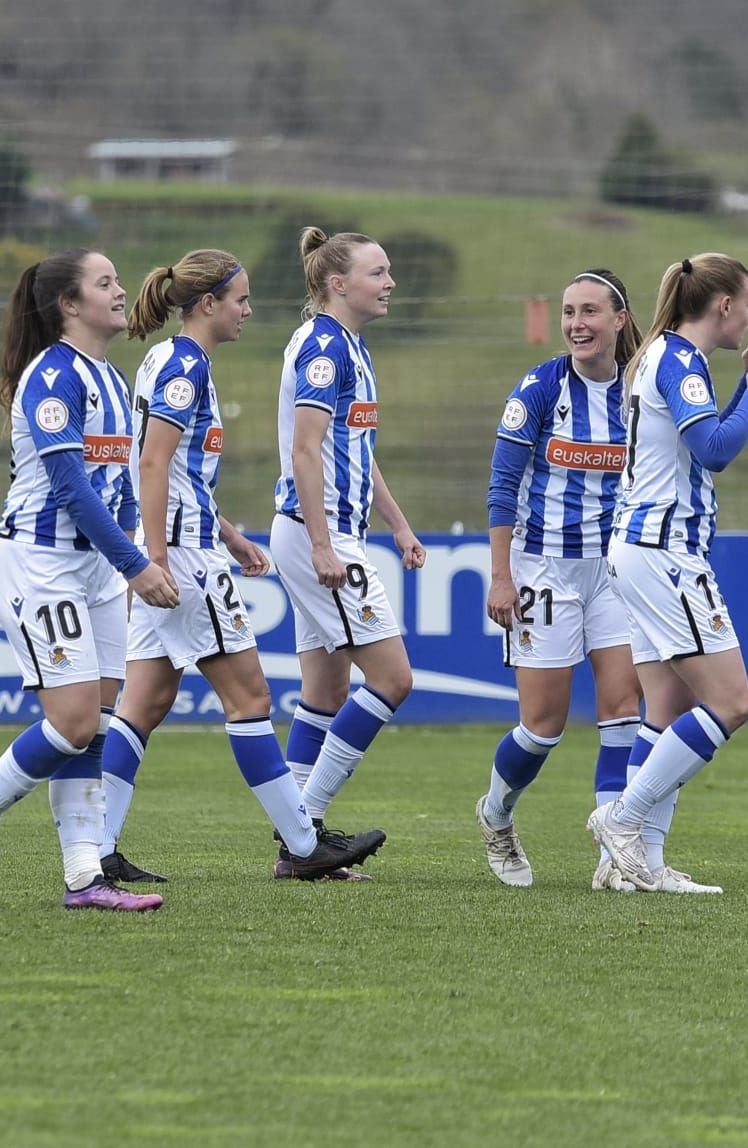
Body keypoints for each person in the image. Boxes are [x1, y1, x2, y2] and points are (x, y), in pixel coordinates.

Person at [85, 248, 385, 885]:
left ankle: (97, 849)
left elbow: (180, 471)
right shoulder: (184, 367)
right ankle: (304, 846)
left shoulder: (174, 362)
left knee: (144, 703)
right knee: (250, 698)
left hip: (188, 542)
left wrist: (232, 535)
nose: (250, 310)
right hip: (181, 558)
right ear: (208, 304)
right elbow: (152, 466)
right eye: (241, 300)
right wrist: (156, 564)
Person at [0, 248, 179, 912]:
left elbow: (121, 487)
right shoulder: (52, 376)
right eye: (104, 283)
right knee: (73, 722)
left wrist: (128, 558)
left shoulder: (107, 375)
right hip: (42, 566)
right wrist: (140, 567)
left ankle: (85, 880)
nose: (120, 290)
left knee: (95, 724)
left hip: (96, 572)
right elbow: (73, 490)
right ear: (69, 305)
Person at [586, 253, 748, 893]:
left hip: (641, 548)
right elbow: (715, 450)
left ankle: (642, 863)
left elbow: (694, 441)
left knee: (667, 707)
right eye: (747, 301)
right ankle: (623, 819)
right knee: (731, 702)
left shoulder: (666, 358)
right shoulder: (678, 360)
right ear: (722, 305)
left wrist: (741, 387)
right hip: (664, 552)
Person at [477, 269, 645, 890]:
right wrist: (500, 576)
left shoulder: (639, 389)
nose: (577, 323)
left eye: (590, 312)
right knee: (544, 727)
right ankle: (496, 814)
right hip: (542, 567)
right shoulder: (542, 387)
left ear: (620, 319)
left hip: (614, 571)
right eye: (570, 312)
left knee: (623, 709)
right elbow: (500, 486)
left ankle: (615, 854)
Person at [269, 228, 425, 860]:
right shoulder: (325, 352)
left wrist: (398, 522)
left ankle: (295, 845)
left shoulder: (352, 348)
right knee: (393, 679)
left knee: (326, 695)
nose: (390, 283)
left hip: (330, 532)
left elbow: (353, 451)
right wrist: (323, 543)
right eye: (378, 272)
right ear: (338, 284)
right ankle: (303, 833)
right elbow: (305, 451)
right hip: (319, 537)